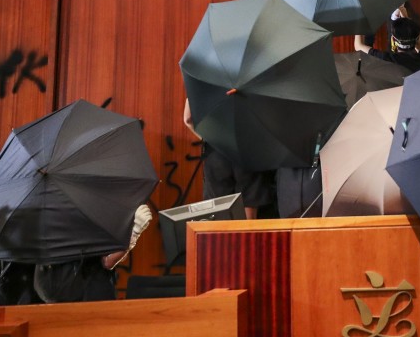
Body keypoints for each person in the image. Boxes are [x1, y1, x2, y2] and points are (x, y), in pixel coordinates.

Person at [25, 204, 153, 304]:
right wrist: (135, 232)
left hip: (50, 292)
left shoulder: (46, 211)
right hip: (85, 294)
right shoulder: (95, 210)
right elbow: (108, 261)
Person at [183, 98, 273, 220]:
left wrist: (209, 139)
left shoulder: (206, 82)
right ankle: (245, 238)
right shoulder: (252, 81)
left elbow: (188, 119)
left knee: (217, 210)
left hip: (216, 150)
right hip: (249, 149)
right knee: (248, 210)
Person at [353, 13, 420, 74]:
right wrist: (406, 22)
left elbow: (358, 46)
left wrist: (360, 16)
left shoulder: (387, 59)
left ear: (393, 40)